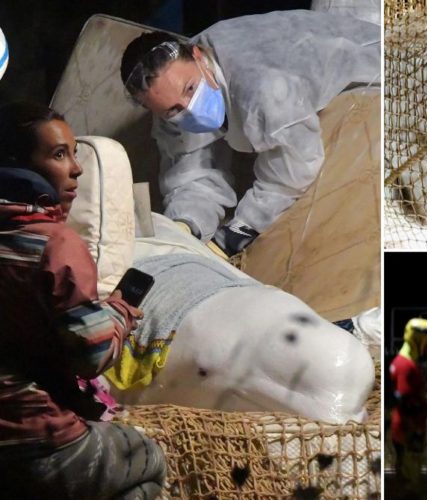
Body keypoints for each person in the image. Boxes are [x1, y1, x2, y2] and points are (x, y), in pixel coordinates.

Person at [0, 102, 166, 498]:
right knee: (148, 460)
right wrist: (121, 311)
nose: (76, 169)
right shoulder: (57, 244)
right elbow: (91, 359)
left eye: (75, 154)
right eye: (59, 155)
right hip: (37, 439)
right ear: (17, 165)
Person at [120, 11, 380, 257]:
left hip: (381, 69)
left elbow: (295, 168)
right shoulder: (168, 101)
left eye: (190, 89)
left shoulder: (262, 88)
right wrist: (185, 226)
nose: (189, 109)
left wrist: (242, 227)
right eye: (173, 109)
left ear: (199, 56)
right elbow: (191, 176)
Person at [389, 318, 427, 492]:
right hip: (409, 430)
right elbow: (406, 401)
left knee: (407, 476)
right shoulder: (405, 366)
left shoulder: (404, 362)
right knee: (409, 482)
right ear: (418, 340)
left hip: (406, 427)